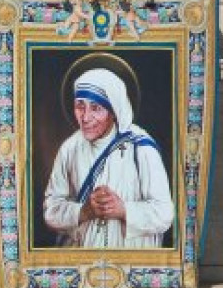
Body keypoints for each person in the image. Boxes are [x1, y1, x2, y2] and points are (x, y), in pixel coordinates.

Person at [43, 66, 174, 249]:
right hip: (82, 261)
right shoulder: (69, 149)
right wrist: (83, 212)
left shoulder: (141, 148)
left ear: (114, 111)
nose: (85, 117)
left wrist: (123, 210)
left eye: (95, 108)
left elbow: (164, 214)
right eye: (80, 106)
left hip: (132, 261)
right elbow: (51, 210)